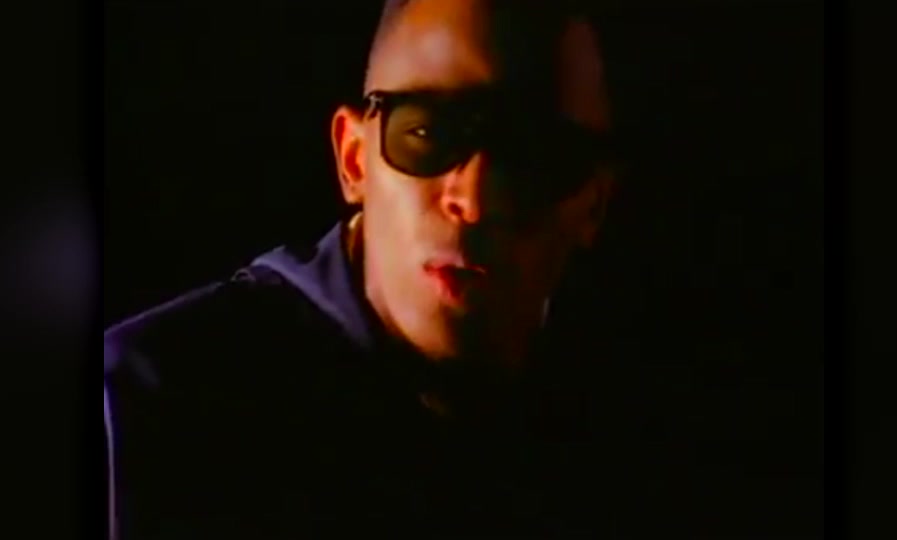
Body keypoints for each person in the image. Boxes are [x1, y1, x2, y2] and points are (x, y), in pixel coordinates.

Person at [104, 1, 627, 537]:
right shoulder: (149, 408)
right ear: (354, 159)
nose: (472, 200)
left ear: (594, 204)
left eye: (533, 153)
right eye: (425, 133)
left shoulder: (637, 429)